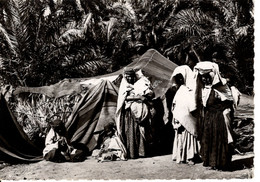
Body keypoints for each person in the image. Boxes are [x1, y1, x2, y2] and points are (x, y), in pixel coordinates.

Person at [194, 61, 234, 170]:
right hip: (209, 117)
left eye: (206, 77)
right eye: (202, 77)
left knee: (220, 139)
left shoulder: (221, 86)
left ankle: (222, 163)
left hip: (219, 117)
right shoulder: (205, 88)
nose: (204, 79)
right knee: (210, 139)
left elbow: (228, 102)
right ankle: (212, 163)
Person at [115, 67, 154, 159]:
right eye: (127, 77)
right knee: (131, 130)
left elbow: (150, 93)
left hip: (141, 110)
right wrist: (138, 98)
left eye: (130, 76)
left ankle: (142, 152)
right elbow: (124, 98)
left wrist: (145, 96)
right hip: (130, 112)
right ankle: (132, 152)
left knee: (141, 130)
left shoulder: (140, 82)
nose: (129, 79)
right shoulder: (124, 84)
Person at [170, 65, 200, 165]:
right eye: (178, 78)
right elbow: (175, 103)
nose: (180, 79)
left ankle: (190, 157)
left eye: (181, 77)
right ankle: (181, 155)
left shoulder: (192, 89)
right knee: (181, 136)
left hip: (189, 117)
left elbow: (193, 105)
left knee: (190, 136)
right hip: (180, 118)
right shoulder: (180, 90)